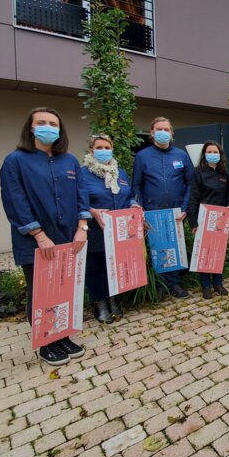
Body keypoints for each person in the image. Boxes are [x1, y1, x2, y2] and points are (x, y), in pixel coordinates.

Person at [0, 107, 90, 366]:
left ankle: (62, 336)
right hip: (36, 240)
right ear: (31, 128)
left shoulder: (70, 161)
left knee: (65, 289)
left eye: (53, 123)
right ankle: (46, 342)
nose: (48, 127)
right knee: (41, 292)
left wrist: (82, 227)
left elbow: (81, 193)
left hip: (70, 238)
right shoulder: (15, 161)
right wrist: (39, 235)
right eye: (42, 122)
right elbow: (15, 201)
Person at [132, 117, 194, 299]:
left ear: (172, 133)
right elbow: (136, 185)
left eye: (166, 129)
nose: (163, 132)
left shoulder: (181, 155)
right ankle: (160, 286)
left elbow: (190, 183)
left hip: (176, 212)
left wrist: (185, 207)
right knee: (157, 248)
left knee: (176, 247)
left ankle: (175, 284)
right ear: (151, 133)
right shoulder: (142, 156)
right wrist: (140, 210)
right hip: (153, 212)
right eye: (159, 129)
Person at [80, 134, 139, 324]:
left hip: (118, 229)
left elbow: (128, 194)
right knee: (95, 267)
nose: (104, 151)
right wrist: (91, 210)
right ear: (91, 150)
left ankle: (113, 299)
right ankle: (99, 303)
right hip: (95, 228)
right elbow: (76, 200)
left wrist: (133, 204)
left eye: (107, 147)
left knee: (113, 265)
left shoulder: (119, 172)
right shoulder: (83, 173)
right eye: (100, 147)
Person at [188, 140, 229, 299]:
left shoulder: (224, 174)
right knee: (204, 253)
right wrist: (193, 222)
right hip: (203, 219)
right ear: (204, 155)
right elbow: (193, 197)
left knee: (218, 252)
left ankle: (218, 283)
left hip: (220, 219)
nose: (213, 155)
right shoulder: (198, 172)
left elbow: (228, 195)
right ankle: (206, 285)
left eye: (216, 152)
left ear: (220, 155)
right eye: (210, 152)